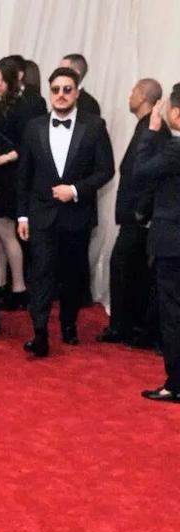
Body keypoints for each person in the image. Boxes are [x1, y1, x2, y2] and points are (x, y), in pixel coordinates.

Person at [17, 66, 114, 356]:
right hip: (41, 213)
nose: (61, 95)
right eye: (56, 90)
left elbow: (106, 170)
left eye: (67, 89)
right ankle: (40, 332)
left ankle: (69, 325)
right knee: (41, 272)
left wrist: (74, 190)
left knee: (72, 274)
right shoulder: (34, 126)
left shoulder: (94, 125)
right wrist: (22, 215)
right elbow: (23, 175)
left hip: (76, 214)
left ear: (77, 92)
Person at [99, 78, 169, 346]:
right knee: (130, 270)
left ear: (143, 97)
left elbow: (148, 175)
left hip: (139, 219)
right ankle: (128, 326)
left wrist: (141, 213)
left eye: (133, 91)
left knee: (124, 269)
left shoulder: (153, 130)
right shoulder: (145, 127)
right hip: (135, 216)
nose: (129, 96)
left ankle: (124, 327)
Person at [134, 87, 180, 402]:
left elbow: (140, 172)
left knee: (172, 313)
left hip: (172, 243)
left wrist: (150, 133)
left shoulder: (175, 149)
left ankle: (175, 384)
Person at [0, 58, 29, 309]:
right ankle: (0, 284)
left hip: (10, 176)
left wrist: (4, 158)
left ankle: (19, 287)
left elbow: (24, 146)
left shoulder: (20, 107)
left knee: (6, 231)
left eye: (3, 80)